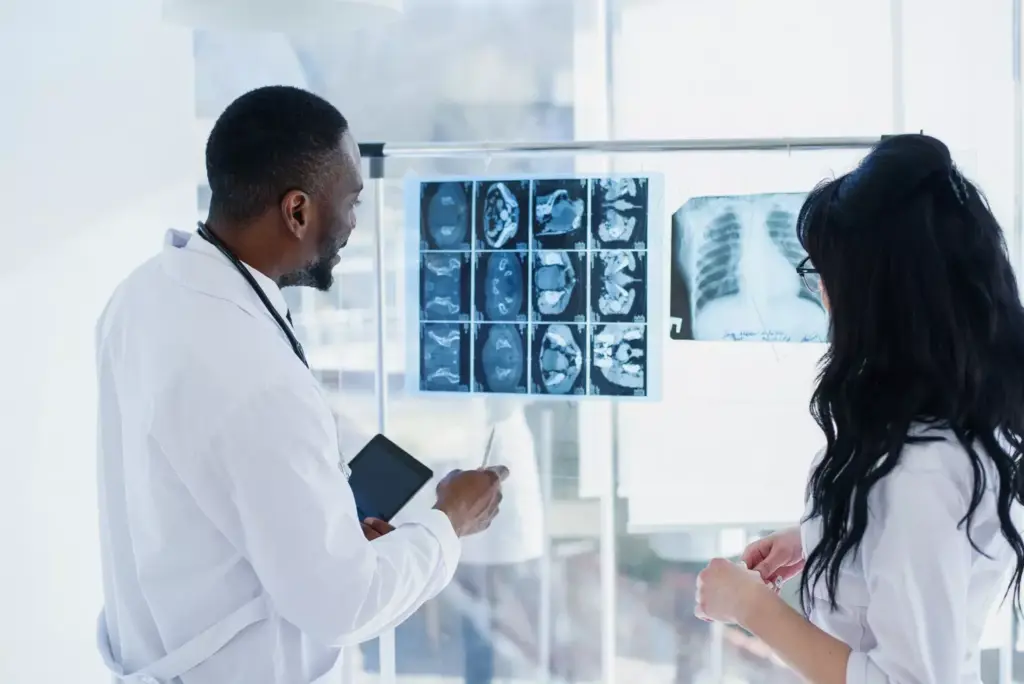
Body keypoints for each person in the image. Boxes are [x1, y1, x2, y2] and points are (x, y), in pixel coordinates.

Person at [94, 85, 508, 684]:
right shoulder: (256, 377)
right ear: (297, 211)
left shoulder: (141, 295)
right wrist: (449, 523)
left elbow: (202, 499)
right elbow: (343, 604)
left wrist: (327, 528)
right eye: (353, 202)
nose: (354, 224)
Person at [693, 133, 1024, 683]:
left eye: (824, 275)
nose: (821, 294)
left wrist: (751, 609)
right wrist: (829, 535)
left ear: (876, 296)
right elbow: (930, 553)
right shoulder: (977, 410)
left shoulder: (919, 471)